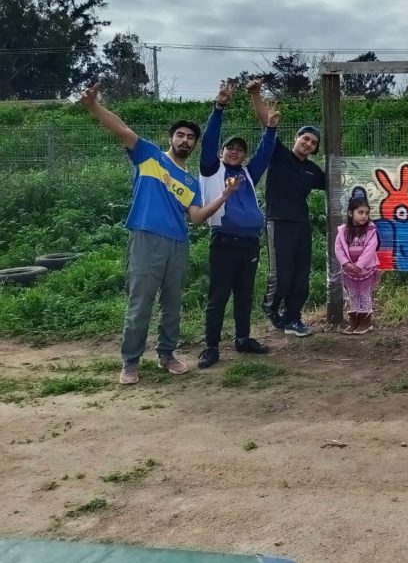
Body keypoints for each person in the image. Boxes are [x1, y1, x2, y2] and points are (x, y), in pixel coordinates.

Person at [79, 83, 237, 385]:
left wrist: (225, 196)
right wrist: (93, 106)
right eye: (180, 135)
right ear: (171, 138)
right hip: (146, 238)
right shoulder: (149, 156)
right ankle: (130, 362)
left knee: (172, 304)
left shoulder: (190, 183)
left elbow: (196, 218)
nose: (185, 140)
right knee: (140, 303)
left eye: (190, 137)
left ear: (194, 144)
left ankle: (167, 354)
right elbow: (122, 129)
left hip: (178, 244)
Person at [196, 82, 279, 369]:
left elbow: (265, 153)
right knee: (218, 296)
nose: (234, 151)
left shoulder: (247, 173)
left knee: (244, 293)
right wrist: (219, 107)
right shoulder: (211, 169)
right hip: (224, 242)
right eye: (229, 148)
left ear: (244, 156)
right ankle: (211, 347)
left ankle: (243, 338)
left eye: (239, 149)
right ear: (221, 152)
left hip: (249, 244)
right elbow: (209, 140)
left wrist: (270, 130)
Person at [249, 81, 325, 337]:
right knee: (281, 275)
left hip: (302, 225)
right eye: (305, 138)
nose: (308, 144)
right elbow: (267, 124)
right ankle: (271, 307)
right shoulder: (278, 154)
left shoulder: (312, 170)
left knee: (301, 277)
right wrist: (256, 94)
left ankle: (294, 319)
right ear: (296, 138)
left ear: (315, 149)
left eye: (313, 143)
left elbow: (336, 184)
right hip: (278, 222)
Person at [334, 190, 380, 335]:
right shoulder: (343, 231)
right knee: (353, 294)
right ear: (350, 213)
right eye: (360, 212)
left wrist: (359, 265)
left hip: (365, 270)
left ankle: (366, 322)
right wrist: (346, 264)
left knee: (364, 294)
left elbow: (370, 249)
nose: (364, 216)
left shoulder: (370, 230)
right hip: (350, 271)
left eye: (366, 213)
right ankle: (354, 322)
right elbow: (338, 249)